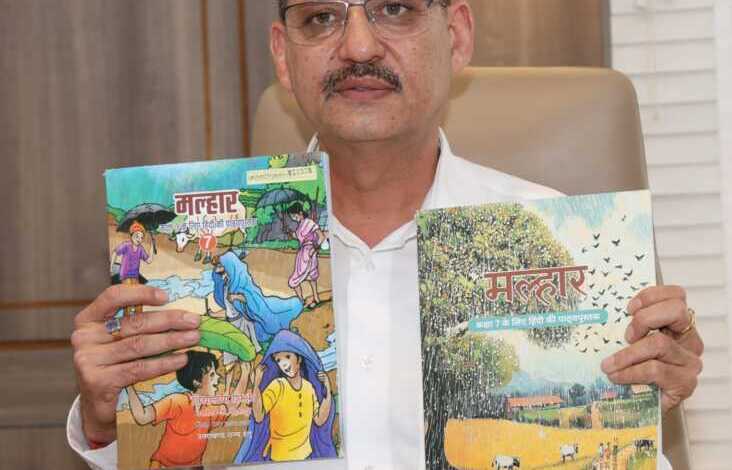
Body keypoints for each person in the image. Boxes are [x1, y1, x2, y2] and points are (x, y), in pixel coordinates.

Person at [68, 1, 704, 469]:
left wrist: (641, 405)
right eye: (321, 17)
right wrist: (107, 424)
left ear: (456, 36)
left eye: (395, 9)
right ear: (283, 55)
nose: (358, 46)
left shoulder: (552, 247)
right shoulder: (190, 262)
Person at [124, 350, 247, 468]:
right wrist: (128, 385)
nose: (218, 378)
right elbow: (143, 416)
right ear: (197, 382)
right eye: (212, 375)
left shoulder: (209, 410)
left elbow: (231, 406)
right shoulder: (178, 402)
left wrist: (245, 374)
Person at [237, 330, 335, 463]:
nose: (284, 364)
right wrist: (256, 385)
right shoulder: (277, 386)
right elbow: (259, 416)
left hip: (307, 458)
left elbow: (319, 420)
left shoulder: (309, 388)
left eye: (287, 357)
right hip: (279, 460)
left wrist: (327, 390)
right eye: (278, 360)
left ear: (299, 358)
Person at [286, 202, 327, 308]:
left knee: (304, 277)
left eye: (294, 215)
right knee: (310, 276)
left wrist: (314, 249)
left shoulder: (309, 222)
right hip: (303, 253)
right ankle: (302, 301)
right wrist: (290, 233)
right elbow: (298, 236)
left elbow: (322, 236)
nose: (293, 218)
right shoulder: (300, 225)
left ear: (300, 213)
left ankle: (315, 299)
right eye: (292, 216)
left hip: (309, 252)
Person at [111, 221, 153, 315]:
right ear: (131, 235)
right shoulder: (126, 245)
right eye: (137, 236)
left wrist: (152, 248)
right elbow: (115, 252)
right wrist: (111, 267)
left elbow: (149, 260)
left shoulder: (140, 249)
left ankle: (139, 316)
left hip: (135, 276)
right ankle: (127, 316)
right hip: (125, 275)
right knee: (129, 297)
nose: (139, 239)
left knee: (138, 298)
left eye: (141, 237)